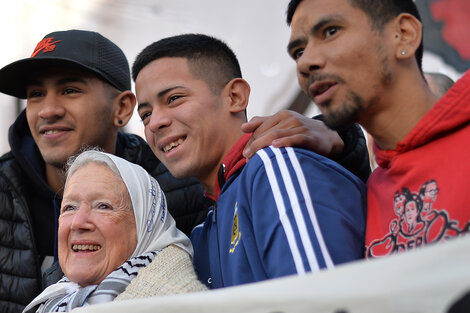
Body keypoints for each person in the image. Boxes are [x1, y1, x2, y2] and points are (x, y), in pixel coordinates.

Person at [132, 33, 367, 289]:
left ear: (234, 96)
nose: (155, 123)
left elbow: (322, 298)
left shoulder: (275, 167)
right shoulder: (201, 231)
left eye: (174, 99)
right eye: (145, 114)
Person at [0, 29, 206, 311]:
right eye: (36, 94)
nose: (47, 110)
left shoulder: (180, 187)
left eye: (69, 90)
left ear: (122, 108)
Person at [286, 0, 470, 257]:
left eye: (330, 31)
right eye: (299, 51)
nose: (305, 63)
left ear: (403, 35)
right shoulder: (362, 196)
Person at [23, 150, 206, 312]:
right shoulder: (54, 301)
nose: (78, 223)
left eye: (103, 206)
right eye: (70, 207)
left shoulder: (182, 303)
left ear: (144, 228)